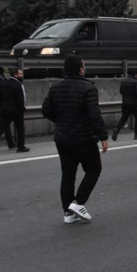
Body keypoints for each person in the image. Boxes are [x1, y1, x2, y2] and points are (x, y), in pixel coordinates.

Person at [41, 55, 109, 223]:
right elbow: (94, 114)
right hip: (84, 138)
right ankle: (78, 203)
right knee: (94, 169)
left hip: (62, 138)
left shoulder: (55, 87)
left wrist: (61, 121)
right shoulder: (88, 87)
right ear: (80, 69)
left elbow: (45, 110)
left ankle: (68, 213)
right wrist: (103, 136)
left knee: (68, 175)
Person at [0, 66, 17, 154]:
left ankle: (11, 143)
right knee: (3, 126)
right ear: (2, 73)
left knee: (5, 126)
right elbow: (5, 97)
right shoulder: (3, 83)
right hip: (0, 108)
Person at [112, 70, 137, 141]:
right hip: (134, 103)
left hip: (125, 103)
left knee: (124, 118)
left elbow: (121, 91)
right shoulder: (136, 82)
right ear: (135, 75)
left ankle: (116, 129)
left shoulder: (123, 82)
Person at [8, 68, 30, 152]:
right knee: (20, 129)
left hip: (7, 109)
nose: (22, 75)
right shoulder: (18, 84)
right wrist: (23, 107)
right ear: (15, 75)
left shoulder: (7, 83)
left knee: (1, 128)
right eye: (20, 74)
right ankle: (21, 146)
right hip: (17, 110)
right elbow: (21, 98)